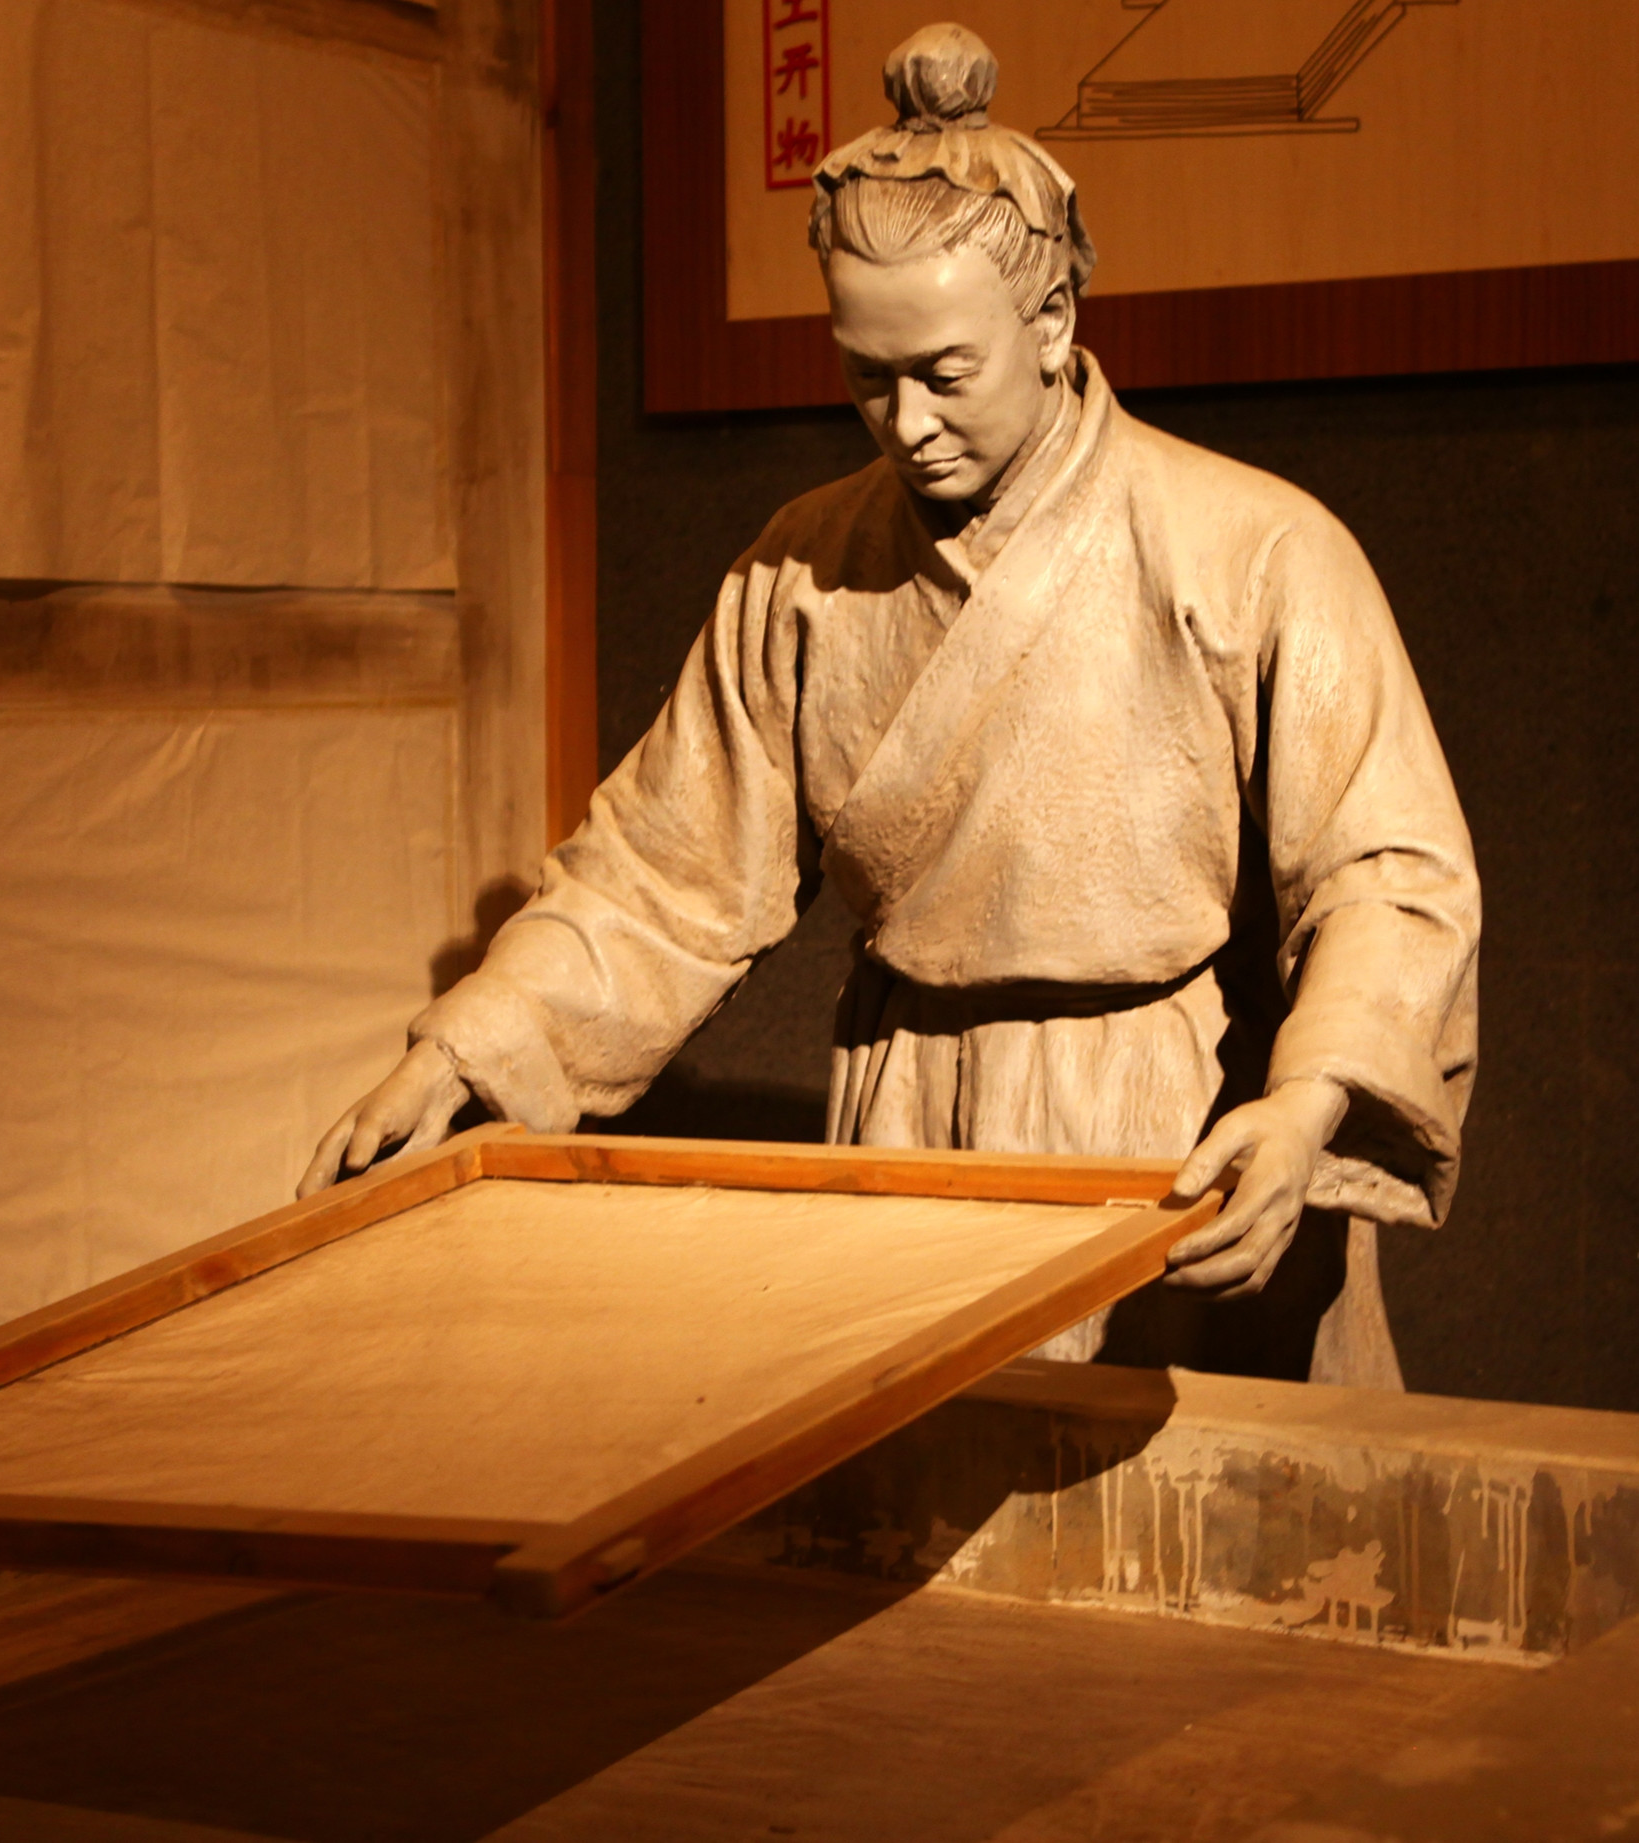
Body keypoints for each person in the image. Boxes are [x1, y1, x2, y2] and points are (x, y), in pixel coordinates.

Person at [300, 23, 1479, 1388]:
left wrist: (1308, 1103)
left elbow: (1388, 877)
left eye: (945, 375)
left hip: (1176, 1121)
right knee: (923, 1492)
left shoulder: (1255, 552)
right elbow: (659, 880)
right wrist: (470, 1050)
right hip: (907, 1118)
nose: (906, 420)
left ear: (1053, 324)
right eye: (868, 376)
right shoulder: (805, 571)